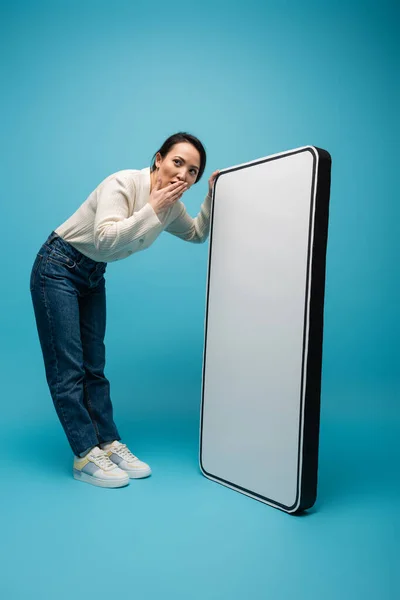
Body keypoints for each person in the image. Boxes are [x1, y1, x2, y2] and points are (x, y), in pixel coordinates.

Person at [30, 131, 219, 488]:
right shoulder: (123, 184)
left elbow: (196, 233)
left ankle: (107, 441)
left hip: (91, 275)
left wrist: (212, 195)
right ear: (159, 159)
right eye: (177, 162)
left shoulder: (174, 207)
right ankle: (85, 454)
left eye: (192, 171)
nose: (183, 174)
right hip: (57, 267)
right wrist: (153, 210)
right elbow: (104, 237)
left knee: (94, 366)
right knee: (69, 368)